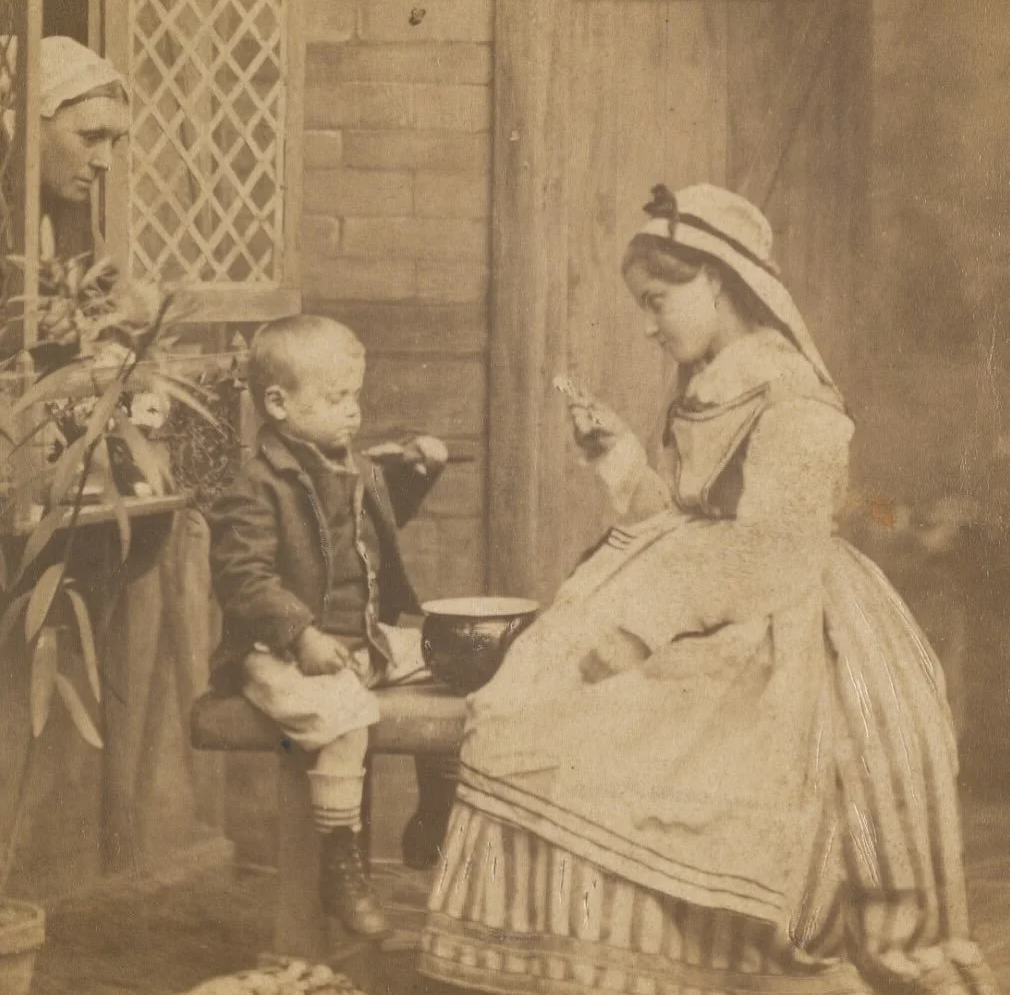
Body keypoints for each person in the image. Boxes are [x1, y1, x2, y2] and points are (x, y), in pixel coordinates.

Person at [418, 184, 996, 995]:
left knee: (615, 750)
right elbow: (689, 519)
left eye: (659, 302)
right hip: (699, 590)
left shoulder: (792, 397)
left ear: (720, 281)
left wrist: (640, 630)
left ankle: (705, 964)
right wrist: (619, 457)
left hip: (777, 622)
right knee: (530, 720)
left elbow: (765, 551)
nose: (650, 325)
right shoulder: (711, 380)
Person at [208, 314, 448, 942]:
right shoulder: (255, 487)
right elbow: (242, 577)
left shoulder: (353, 466)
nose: (354, 413)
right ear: (278, 404)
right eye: (336, 399)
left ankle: (435, 807)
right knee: (346, 716)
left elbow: (375, 528)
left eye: (355, 397)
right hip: (279, 653)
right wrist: (300, 633)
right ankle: (340, 863)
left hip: (359, 639)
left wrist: (420, 471)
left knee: (455, 657)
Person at [1, 35, 131, 363]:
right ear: (31, 125)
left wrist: (76, 324)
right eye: (91, 137)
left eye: (113, 141)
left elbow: (111, 313)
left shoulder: (73, 215)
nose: (105, 161)